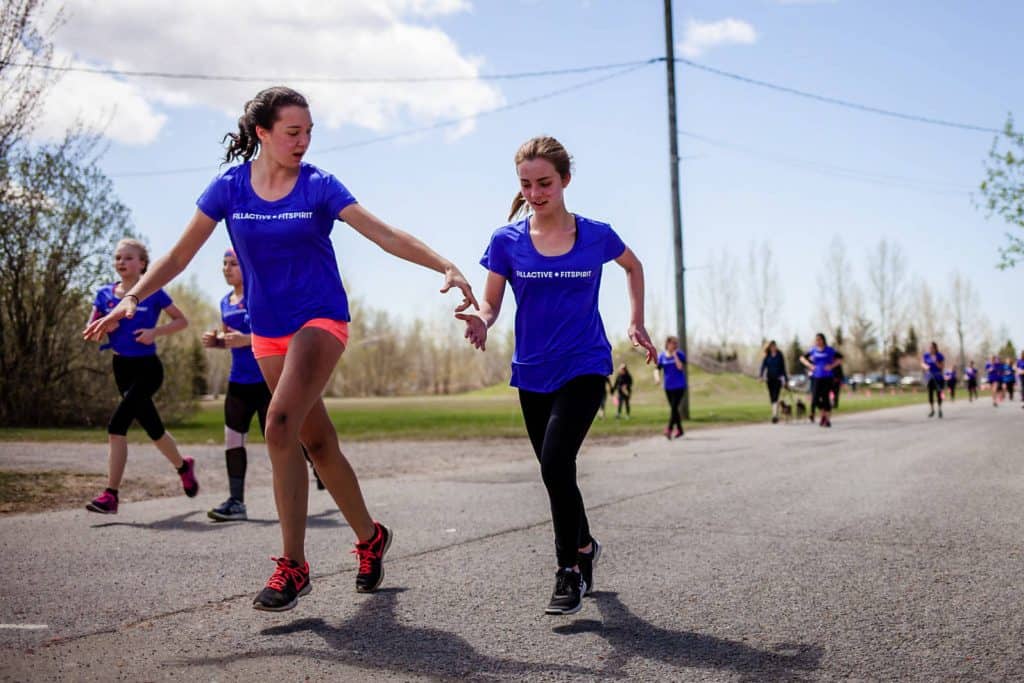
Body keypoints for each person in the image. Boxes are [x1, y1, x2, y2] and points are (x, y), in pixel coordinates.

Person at [85, 86, 477, 612]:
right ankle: (371, 537)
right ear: (262, 133)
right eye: (293, 132)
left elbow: (382, 234)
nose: (304, 142)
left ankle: (293, 565)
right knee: (317, 441)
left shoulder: (318, 186)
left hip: (320, 320)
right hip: (268, 330)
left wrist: (443, 263)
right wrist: (131, 297)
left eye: (309, 132)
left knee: (279, 424)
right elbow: (179, 255)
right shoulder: (229, 187)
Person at [457, 136, 656, 616]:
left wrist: (635, 320)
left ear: (565, 180)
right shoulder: (506, 241)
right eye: (526, 184)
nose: (535, 192)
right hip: (532, 371)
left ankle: (567, 569)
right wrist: (481, 321)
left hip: (585, 364)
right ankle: (585, 545)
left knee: (553, 462)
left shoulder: (595, 234)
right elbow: (491, 304)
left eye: (544, 183)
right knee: (557, 472)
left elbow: (633, 266)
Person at [203, 249, 322, 523]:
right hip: (238, 382)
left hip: (267, 381)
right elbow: (230, 337)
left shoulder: (262, 296)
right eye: (224, 264)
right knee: (233, 440)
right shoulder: (225, 302)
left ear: (247, 266)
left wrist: (248, 340)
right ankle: (236, 502)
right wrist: (217, 340)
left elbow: (282, 332)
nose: (227, 268)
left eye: (233, 263)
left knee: (285, 438)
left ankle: (316, 463)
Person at [84, 238, 197, 514]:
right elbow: (91, 328)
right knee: (153, 428)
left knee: (116, 425)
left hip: (148, 369)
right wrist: (104, 328)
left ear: (143, 264)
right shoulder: (104, 295)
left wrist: (153, 333)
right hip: (121, 369)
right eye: (118, 258)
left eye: (128, 257)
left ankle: (110, 495)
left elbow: (181, 321)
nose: (121, 262)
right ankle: (184, 466)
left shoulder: (154, 292)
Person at [799, 333, 841, 428]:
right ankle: (823, 414)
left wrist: (831, 366)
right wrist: (809, 365)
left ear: (823, 340)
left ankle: (827, 419)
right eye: (816, 340)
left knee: (826, 398)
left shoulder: (829, 350)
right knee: (815, 399)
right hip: (816, 377)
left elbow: (840, 358)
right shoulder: (813, 350)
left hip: (827, 377)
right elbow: (802, 358)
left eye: (819, 339)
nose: (818, 341)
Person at [657, 336, 687, 437]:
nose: (675, 345)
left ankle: (669, 429)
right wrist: (657, 378)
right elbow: (657, 369)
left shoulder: (679, 354)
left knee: (674, 408)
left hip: (679, 386)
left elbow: (680, 367)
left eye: (676, 343)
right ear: (668, 344)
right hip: (668, 387)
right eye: (673, 343)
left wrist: (675, 355)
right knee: (674, 409)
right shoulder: (662, 356)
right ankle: (680, 429)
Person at [758, 340, 788, 424]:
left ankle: (774, 415)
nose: (773, 348)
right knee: (772, 397)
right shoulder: (767, 356)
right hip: (769, 379)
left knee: (775, 396)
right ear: (769, 347)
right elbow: (763, 366)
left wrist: (785, 379)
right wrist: (760, 376)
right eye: (771, 346)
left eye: (774, 346)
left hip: (778, 379)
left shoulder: (779, 355)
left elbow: (783, 367)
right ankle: (775, 414)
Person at [921, 342, 945, 418]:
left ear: (935, 348)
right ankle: (932, 410)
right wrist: (925, 367)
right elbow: (922, 364)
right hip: (929, 377)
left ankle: (940, 409)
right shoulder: (926, 355)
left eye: (932, 348)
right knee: (930, 394)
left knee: (938, 394)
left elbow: (941, 367)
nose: (931, 349)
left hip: (938, 377)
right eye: (930, 347)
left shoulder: (939, 356)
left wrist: (936, 362)